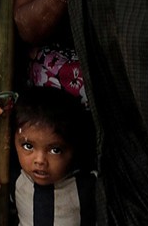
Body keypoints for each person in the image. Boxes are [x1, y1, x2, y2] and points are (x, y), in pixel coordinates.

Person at [10, 86, 97, 225]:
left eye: (55, 150)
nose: (39, 160)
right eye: (28, 146)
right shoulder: (14, 180)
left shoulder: (89, 186)